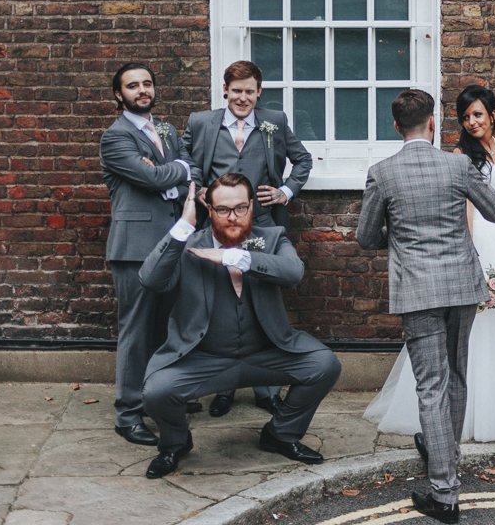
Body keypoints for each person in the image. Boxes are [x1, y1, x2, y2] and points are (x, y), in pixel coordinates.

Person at [363, 85, 495, 442]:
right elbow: (470, 209)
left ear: (493, 115)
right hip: (474, 243)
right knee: (465, 351)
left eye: (477, 115)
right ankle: (465, 427)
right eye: (466, 117)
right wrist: (473, 248)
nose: (472, 122)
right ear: (434, 123)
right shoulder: (459, 157)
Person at [356, 89, 495, 524]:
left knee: (431, 386)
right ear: (432, 123)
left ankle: (444, 492)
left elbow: (366, 237)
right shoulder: (457, 165)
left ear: (395, 126)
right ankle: (446, 460)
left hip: (418, 290)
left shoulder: (383, 173)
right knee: (456, 374)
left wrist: (398, 236)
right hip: (461, 285)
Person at [139, 173, 341, 478]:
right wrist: (183, 227)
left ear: (251, 207)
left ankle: (281, 433)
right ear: (209, 209)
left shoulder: (272, 238)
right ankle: (175, 444)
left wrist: (234, 257)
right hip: (205, 358)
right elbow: (150, 280)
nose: (233, 217)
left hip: (265, 353)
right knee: (156, 391)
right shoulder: (188, 245)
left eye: (240, 208)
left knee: (325, 365)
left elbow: (293, 272)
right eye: (223, 209)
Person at [182, 59, 313, 418]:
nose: (243, 98)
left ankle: (266, 388)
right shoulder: (201, 122)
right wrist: (199, 189)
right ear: (225, 90)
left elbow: (302, 160)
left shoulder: (275, 122)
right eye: (236, 91)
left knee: (262, 300)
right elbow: (184, 158)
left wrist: (286, 191)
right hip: (218, 225)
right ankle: (223, 386)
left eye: (250, 92)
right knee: (221, 303)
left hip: (262, 223)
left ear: (259, 92)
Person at [99, 62, 193, 447]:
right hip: (135, 248)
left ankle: (159, 398)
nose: (142, 90)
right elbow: (152, 177)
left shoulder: (166, 130)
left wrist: (174, 170)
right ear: (118, 95)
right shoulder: (115, 137)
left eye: (147, 83)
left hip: (172, 242)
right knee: (136, 331)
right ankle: (128, 415)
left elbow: (189, 172)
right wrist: (178, 169)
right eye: (133, 85)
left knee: (168, 327)